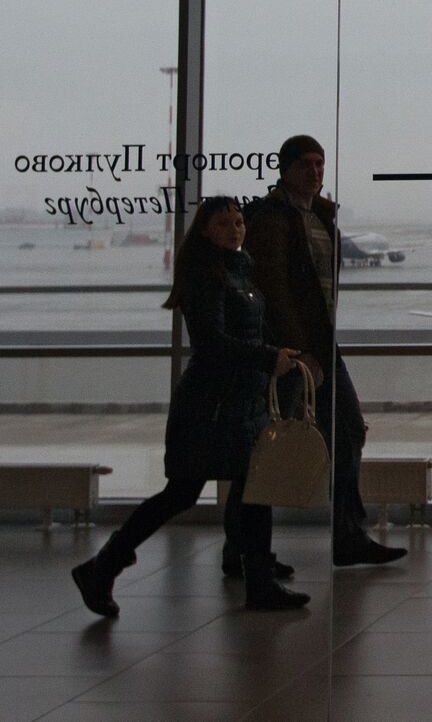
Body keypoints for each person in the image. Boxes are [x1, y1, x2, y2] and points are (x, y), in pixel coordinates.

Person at [71, 197, 311, 616]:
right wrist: (267, 357)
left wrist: (274, 354)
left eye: (238, 222)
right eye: (224, 223)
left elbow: (245, 334)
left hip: (235, 402)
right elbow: (213, 343)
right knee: (187, 492)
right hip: (212, 406)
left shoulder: (239, 271)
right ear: (205, 230)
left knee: (245, 489)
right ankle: (103, 565)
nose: (236, 229)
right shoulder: (208, 277)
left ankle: (257, 583)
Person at [242, 135, 406, 567]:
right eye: (306, 164)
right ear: (286, 168)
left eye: (321, 163)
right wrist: (297, 352)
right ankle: (241, 548)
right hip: (293, 350)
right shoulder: (272, 218)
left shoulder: (318, 215)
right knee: (267, 447)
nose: (315, 172)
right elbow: (274, 289)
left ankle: (348, 534)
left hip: (319, 343)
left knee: (348, 431)